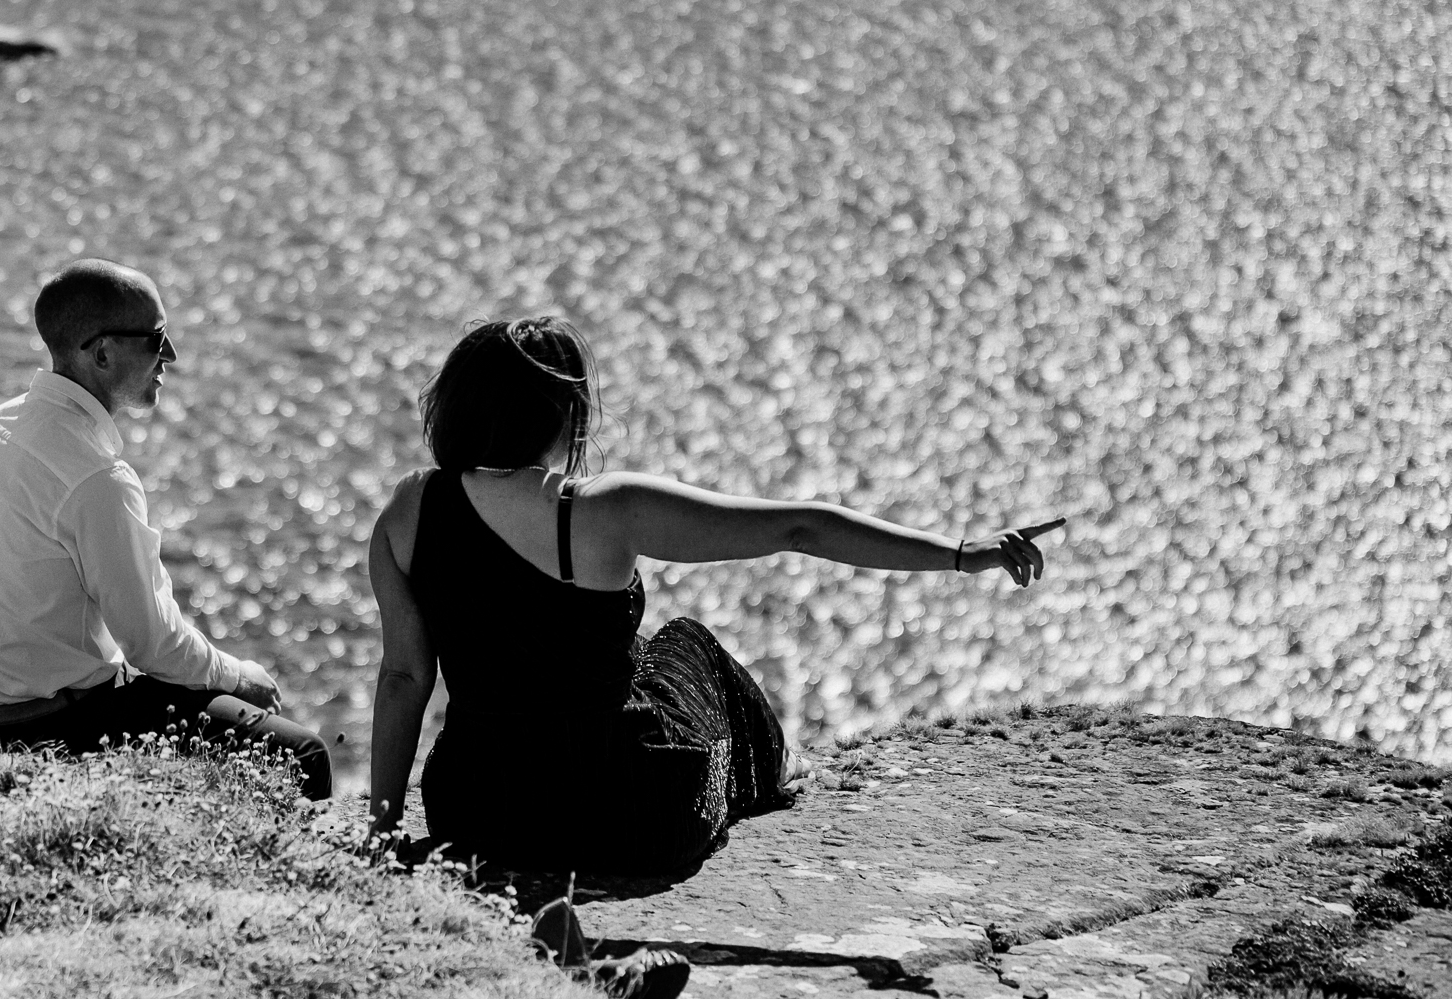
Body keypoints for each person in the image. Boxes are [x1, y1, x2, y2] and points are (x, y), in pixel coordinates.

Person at [366, 317, 1062, 871]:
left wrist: (383, 828)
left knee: (616, 651)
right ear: (562, 416)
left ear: (456, 408)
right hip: (625, 814)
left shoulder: (409, 512)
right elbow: (800, 526)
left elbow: (403, 677)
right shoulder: (607, 509)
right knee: (684, 643)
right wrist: (962, 553)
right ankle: (772, 769)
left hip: (481, 814)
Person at [0, 257, 331, 799]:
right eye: (157, 337)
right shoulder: (96, 478)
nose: (171, 355)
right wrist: (238, 676)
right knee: (306, 755)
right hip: (53, 728)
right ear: (102, 353)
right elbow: (151, 644)